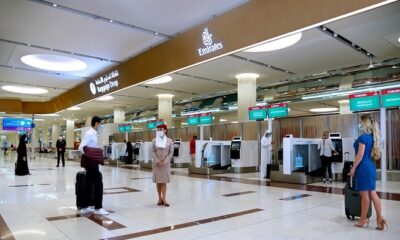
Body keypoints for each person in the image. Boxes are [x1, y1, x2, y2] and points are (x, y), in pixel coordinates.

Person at [349, 114, 387, 230]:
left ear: (365, 123)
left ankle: (362, 219)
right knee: (373, 194)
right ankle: (379, 219)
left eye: (361, 122)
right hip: (370, 167)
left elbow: (360, 155)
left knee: (364, 195)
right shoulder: (372, 137)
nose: (359, 124)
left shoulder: (363, 138)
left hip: (363, 168)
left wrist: (353, 168)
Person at [78, 116, 109, 215]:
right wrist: (90, 155)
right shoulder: (90, 133)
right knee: (99, 183)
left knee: (88, 184)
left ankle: (84, 206)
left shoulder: (94, 133)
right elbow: (81, 147)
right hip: (91, 163)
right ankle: (98, 208)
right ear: (96, 123)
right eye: (100, 124)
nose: (100, 126)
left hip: (92, 163)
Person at [151, 124, 173, 207]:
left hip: (165, 164)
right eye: (158, 129)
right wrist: (157, 161)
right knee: (158, 182)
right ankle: (159, 198)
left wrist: (166, 161)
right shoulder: (154, 141)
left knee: (163, 182)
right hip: (157, 164)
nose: (159, 131)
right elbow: (152, 151)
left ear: (165, 130)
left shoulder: (169, 141)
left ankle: (164, 198)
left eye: (161, 129)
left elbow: (171, 152)